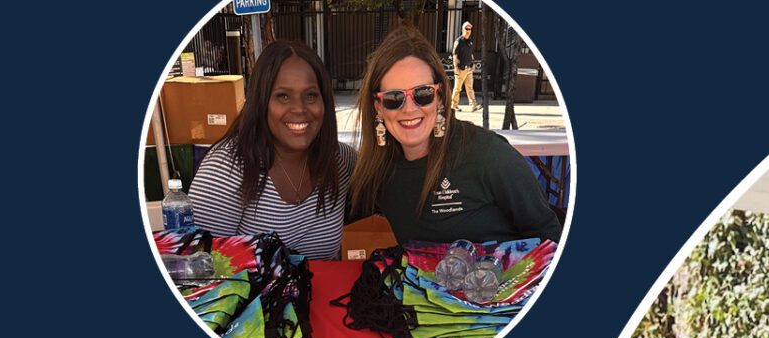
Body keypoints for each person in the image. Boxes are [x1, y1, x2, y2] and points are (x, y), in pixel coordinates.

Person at [346, 27, 559, 245]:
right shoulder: (377, 169)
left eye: (423, 94)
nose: (409, 109)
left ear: (439, 97)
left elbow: (549, 237)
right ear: (378, 107)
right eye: (393, 97)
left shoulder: (488, 154)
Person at [186, 40, 356, 261]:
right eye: (283, 96)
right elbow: (195, 265)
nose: (299, 109)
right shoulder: (226, 168)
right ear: (261, 102)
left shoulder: (341, 161)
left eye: (311, 95)